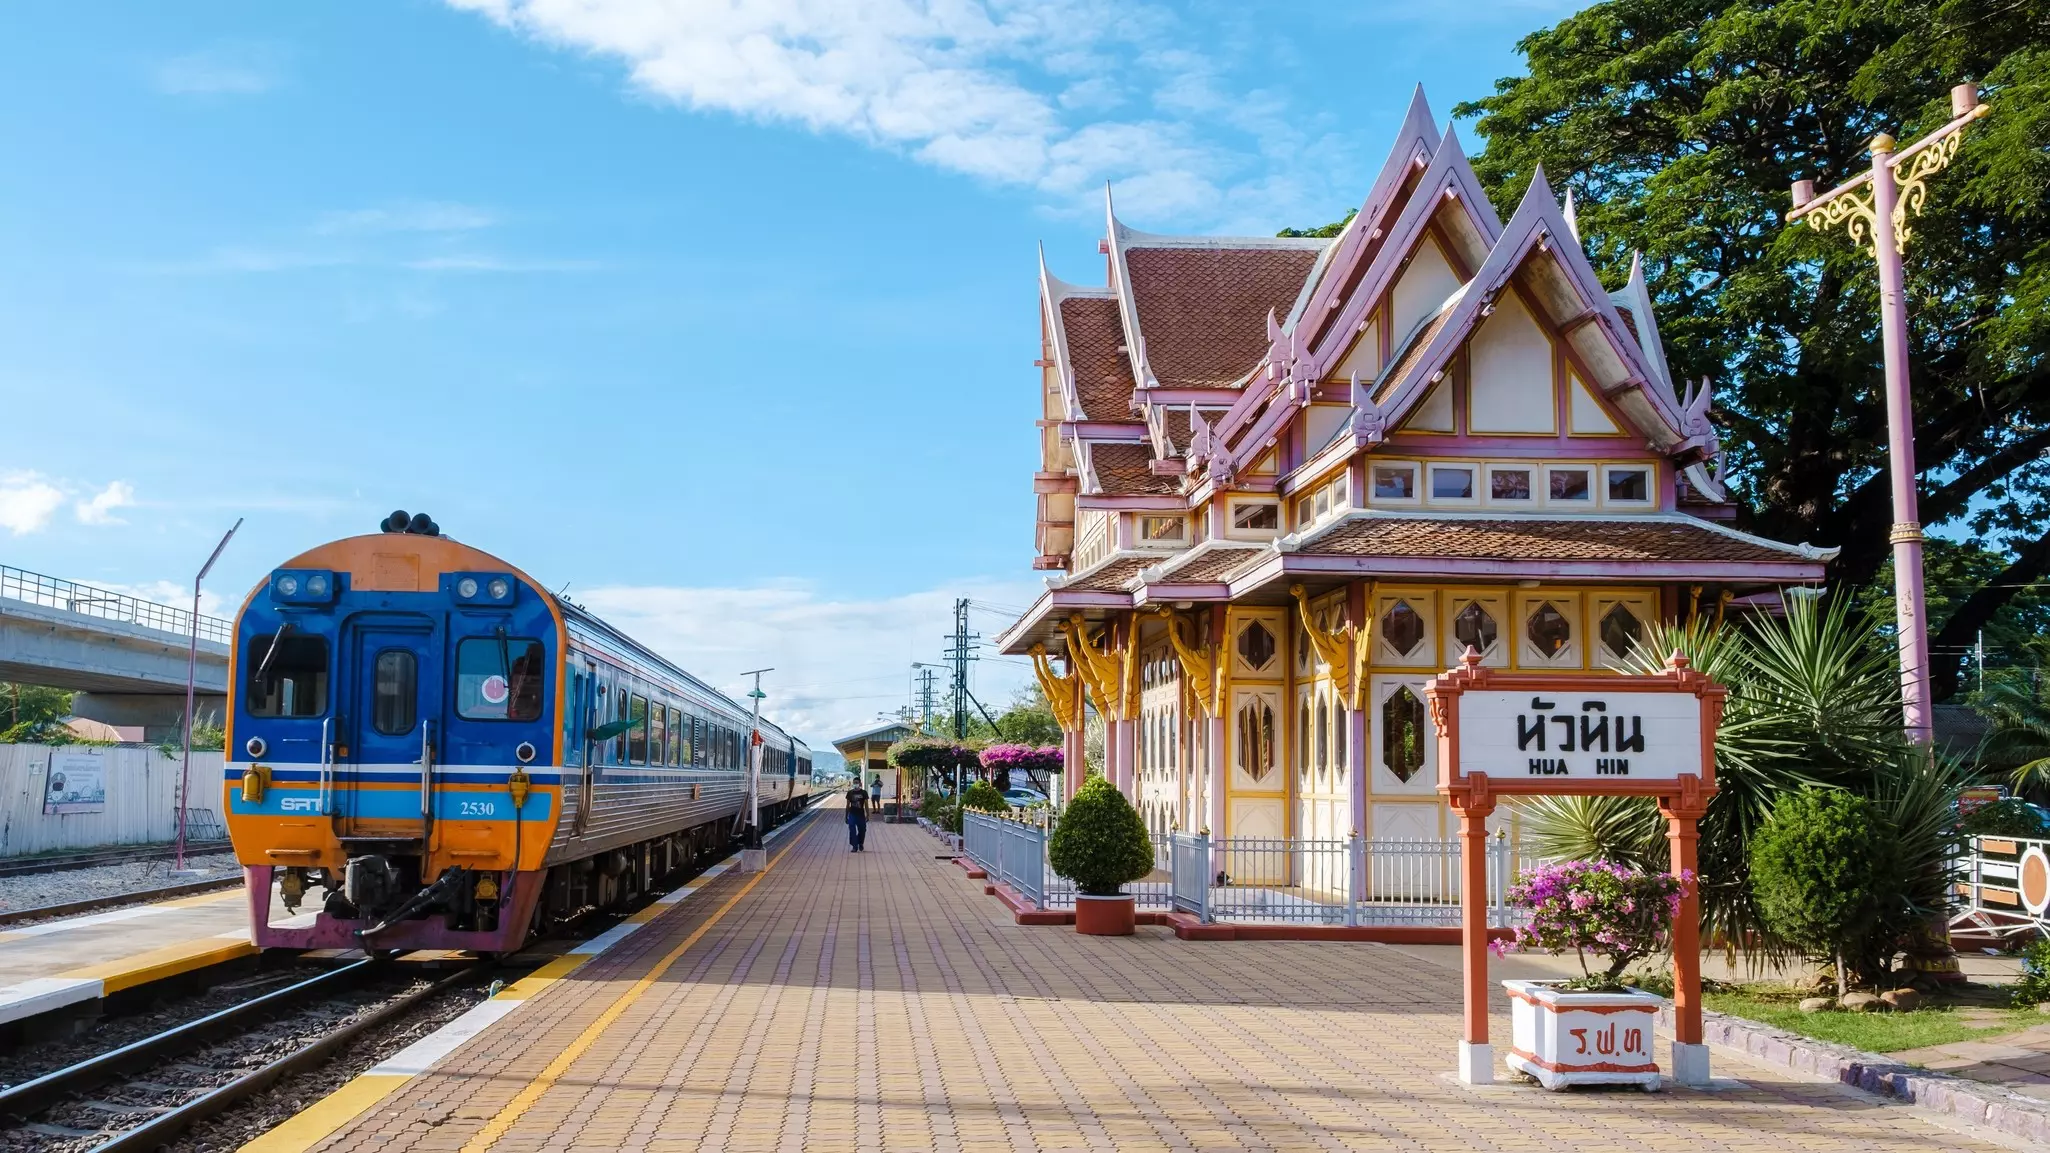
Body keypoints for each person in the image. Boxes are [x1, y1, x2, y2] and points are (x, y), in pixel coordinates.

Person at [844, 779, 869, 852]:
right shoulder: (850, 793)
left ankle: (860, 843)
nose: (855, 784)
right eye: (854, 783)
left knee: (862, 830)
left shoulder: (864, 793)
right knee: (852, 830)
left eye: (857, 783)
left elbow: (866, 805)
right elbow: (848, 805)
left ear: (860, 783)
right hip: (852, 814)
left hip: (861, 815)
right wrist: (846, 816)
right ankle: (854, 846)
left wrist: (868, 815)